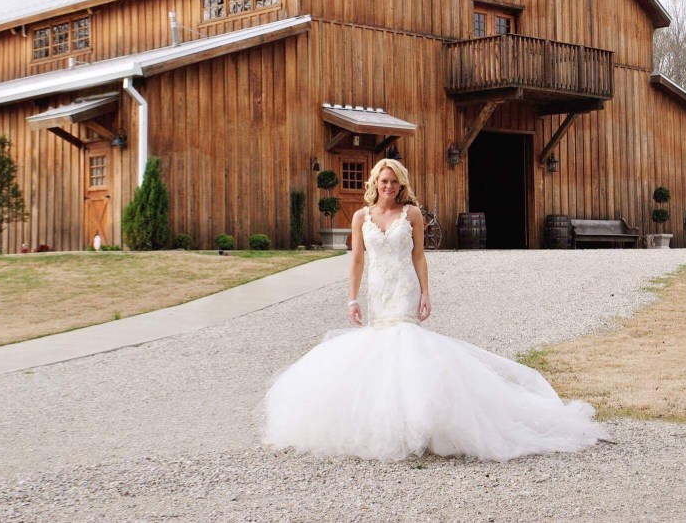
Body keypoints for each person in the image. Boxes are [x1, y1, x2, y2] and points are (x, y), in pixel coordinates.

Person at [257, 158, 608, 461]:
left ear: (401, 184)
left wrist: (426, 292)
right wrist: (351, 298)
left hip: (405, 286)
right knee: (380, 346)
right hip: (378, 289)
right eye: (384, 181)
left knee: (405, 341)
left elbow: (419, 256)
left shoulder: (411, 214)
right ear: (375, 184)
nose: (389, 186)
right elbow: (357, 261)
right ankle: (388, 421)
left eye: (395, 182)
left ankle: (420, 424)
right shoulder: (361, 216)